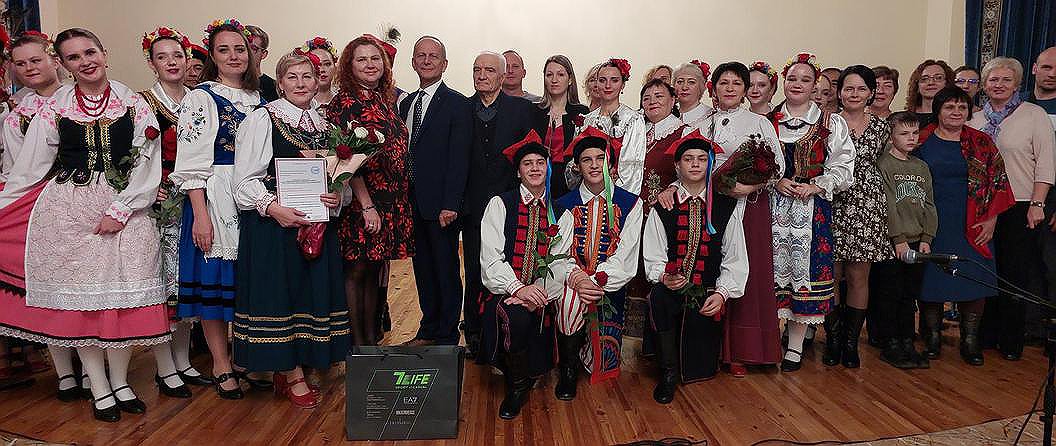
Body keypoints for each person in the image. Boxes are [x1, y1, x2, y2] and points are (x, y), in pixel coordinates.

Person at [0, 27, 167, 422]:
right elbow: (30, 168)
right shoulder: (55, 107)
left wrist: (122, 208)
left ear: (104, 53)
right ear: (63, 63)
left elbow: (148, 164)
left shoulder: (134, 103)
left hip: (126, 208)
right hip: (67, 209)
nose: (85, 61)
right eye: (74, 57)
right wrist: (4, 203)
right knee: (82, 304)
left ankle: (121, 381)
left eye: (90, 52)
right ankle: (100, 386)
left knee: (124, 298)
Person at [231, 50, 350, 409]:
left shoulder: (326, 126)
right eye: (292, 77)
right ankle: (291, 372)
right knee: (281, 297)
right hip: (274, 227)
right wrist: (273, 208)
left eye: (307, 76)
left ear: (317, 81)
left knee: (306, 296)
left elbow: (337, 179)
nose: (300, 83)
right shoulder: (263, 119)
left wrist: (337, 197)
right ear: (280, 84)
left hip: (316, 225)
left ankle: (296, 366)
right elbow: (243, 181)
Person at [171, 18, 266, 400]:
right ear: (212, 55)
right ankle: (221, 363)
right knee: (215, 285)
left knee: (245, 284)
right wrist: (201, 215)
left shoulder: (260, 97)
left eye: (240, 49)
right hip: (216, 196)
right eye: (224, 50)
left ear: (251, 54)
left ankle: (244, 357)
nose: (233, 56)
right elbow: (191, 162)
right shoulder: (201, 97)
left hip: (254, 195)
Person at [0, 31, 89, 401]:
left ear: (55, 59)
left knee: (83, 288)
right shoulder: (16, 116)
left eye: (35, 60)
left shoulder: (82, 98)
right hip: (37, 208)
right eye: (20, 64)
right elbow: (15, 170)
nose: (29, 68)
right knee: (46, 289)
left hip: (82, 201)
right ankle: (64, 371)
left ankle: (93, 368)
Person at [642, 130, 747, 403]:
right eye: (688, 159)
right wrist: (664, 276)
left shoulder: (726, 206)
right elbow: (653, 254)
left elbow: (735, 256)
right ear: (677, 166)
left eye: (702, 159)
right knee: (659, 297)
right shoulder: (663, 206)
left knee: (701, 359)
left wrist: (722, 293)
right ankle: (668, 372)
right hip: (671, 289)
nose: (696, 164)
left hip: (707, 292)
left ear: (710, 164)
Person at [915, 86, 1015, 366]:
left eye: (962, 107)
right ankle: (932, 338)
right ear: (938, 110)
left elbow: (998, 182)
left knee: (973, 278)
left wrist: (992, 219)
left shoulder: (981, 141)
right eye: (950, 107)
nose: (956, 112)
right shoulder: (921, 140)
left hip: (974, 220)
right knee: (931, 279)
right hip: (931, 222)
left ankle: (970, 340)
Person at [768, 53, 855, 372]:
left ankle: (794, 345)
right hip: (772, 207)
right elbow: (755, 162)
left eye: (805, 80)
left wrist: (816, 186)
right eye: (792, 78)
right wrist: (776, 181)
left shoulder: (831, 123)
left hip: (812, 210)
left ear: (815, 85)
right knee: (772, 273)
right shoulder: (768, 120)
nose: (798, 84)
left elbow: (844, 167)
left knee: (804, 276)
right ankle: (769, 340)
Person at [325, 35, 413, 346]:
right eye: (361, 59)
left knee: (374, 269)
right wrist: (366, 205)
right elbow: (346, 157)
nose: (370, 64)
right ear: (349, 66)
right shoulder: (345, 103)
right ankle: (358, 345)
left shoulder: (382, 99)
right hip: (363, 203)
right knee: (357, 270)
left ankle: (370, 343)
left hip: (389, 200)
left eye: (375, 58)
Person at [968, 57, 1055, 361]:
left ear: (1017, 83)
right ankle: (984, 335)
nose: (999, 85)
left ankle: (1010, 339)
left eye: (1006, 80)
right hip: (981, 206)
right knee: (985, 270)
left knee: (1015, 273)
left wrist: (1038, 203)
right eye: (993, 79)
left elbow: (1046, 163)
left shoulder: (1033, 115)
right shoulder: (974, 118)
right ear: (984, 84)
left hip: (1020, 204)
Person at [703, 62, 784, 376]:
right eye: (723, 83)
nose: (730, 88)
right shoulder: (703, 124)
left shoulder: (759, 123)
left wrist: (749, 187)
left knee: (749, 272)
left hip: (748, 205)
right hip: (710, 205)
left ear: (745, 89)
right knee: (712, 267)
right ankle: (710, 348)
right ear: (714, 88)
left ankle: (744, 350)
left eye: (736, 83)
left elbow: (777, 167)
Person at [550, 127, 643, 399]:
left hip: (607, 283)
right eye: (586, 160)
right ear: (578, 166)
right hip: (572, 280)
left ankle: (586, 353)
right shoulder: (564, 204)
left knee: (598, 361)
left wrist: (595, 280)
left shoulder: (630, 204)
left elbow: (625, 256)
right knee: (568, 303)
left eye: (600, 158)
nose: (593, 165)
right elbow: (559, 253)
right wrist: (577, 277)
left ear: (610, 163)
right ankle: (568, 368)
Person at [477, 132, 563, 419]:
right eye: (528, 163)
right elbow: (491, 259)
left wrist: (536, 293)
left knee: (532, 312)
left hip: (540, 293)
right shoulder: (500, 204)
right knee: (516, 317)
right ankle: (517, 386)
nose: (535, 168)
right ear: (518, 171)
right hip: (504, 290)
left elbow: (561, 262)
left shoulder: (560, 211)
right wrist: (517, 288)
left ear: (547, 168)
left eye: (540, 162)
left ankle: (536, 371)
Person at [139, 26, 204, 398]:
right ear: (152, 63)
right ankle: (164, 367)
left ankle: (183, 359)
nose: (172, 62)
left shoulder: (199, 98)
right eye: (162, 57)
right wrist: (152, 186)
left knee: (186, 280)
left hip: (196, 199)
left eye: (177, 55)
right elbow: (134, 155)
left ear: (187, 58)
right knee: (164, 283)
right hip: (162, 202)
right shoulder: (144, 103)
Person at [461, 51, 536, 357]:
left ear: (503, 77)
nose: (481, 75)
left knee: (508, 267)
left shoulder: (522, 110)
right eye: (476, 69)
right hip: (472, 205)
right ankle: (474, 333)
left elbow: (530, 157)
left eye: (489, 70)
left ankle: (503, 332)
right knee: (474, 269)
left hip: (510, 205)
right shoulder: (462, 109)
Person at [397, 36, 471, 347]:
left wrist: (451, 202)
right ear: (413, 62)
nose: (427, 61)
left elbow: (459, 157)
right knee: (423, 268)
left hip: (441, 205)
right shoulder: (406, 103)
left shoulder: (457, 104)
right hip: (411, 202)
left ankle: (447, 334)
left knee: (445, 268)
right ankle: (428, 329)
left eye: (434, 56)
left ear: (444, 64)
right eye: (421, 55)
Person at [828, 65, 891, 368]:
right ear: (839, 93)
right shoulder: (827, 124)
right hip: (831, 201)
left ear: (871, 93)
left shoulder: (882, 127)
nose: (854, 94)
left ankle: (851, 342)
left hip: (867, 204)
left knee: (858, 276)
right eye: (848, 88)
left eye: (861, 88)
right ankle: (833, 339)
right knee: (830, 275)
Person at [873, 111, 935, 369]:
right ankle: (891, 342)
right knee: (891, 292)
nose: (911, 138)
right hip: (893, 242)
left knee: (910, 294)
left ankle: (907, 340)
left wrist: (927, 237)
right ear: (890, 136)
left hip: (918, 241)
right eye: (904, 133)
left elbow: (929, 204)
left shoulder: (921, 166)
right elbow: (888, 204)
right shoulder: (884, 164)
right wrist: (898, 238)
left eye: (914, 133)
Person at [581, 58, 648, 193]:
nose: (608, 85)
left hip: (618, 196)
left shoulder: (632, 120)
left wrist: (617, 198)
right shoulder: (586, 120)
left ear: (623, 85)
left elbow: (632, 167)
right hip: (588, 194)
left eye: (614, 80)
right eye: (602, 80)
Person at [533, 54, 589, 200]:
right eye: (549, 75)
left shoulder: (582, 112)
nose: (554, 80)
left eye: (560, 74)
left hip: (571, 188)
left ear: (570, 79)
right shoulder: (533, 111)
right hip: (537, 185)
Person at [906, 60, 955, 128]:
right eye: (924, 79)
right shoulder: (904, 118)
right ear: (917, 86)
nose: (931, 82)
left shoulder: (957, 117)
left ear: (947, 83)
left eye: (938, 78)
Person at [673, 61, 713, 130]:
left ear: (701, 86)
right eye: (680, 82)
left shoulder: (711, 117)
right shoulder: (667, 114)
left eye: (691, 82)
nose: (684, 87)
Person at [303, 36, 339, 107]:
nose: (322, 70)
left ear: (335, 68)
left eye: (327, 64)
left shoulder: (344, 100)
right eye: (315, 64)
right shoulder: (298, 102)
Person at [245, 24, 278, 102]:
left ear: (263, 54)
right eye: (241, 48)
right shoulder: (229, 84)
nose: (246, 52)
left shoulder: (274, 87)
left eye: (253, 48)